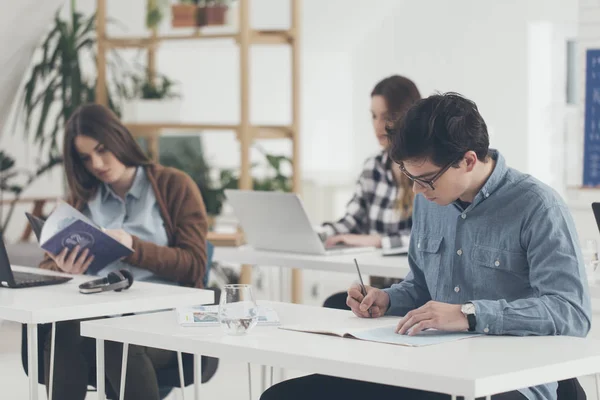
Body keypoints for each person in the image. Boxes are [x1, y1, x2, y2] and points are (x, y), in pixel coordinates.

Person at [261, 93, 591, 400]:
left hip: (505, 382)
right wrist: (387, 299)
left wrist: (469, 314)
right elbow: (421, 287)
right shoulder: (430, 200)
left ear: (469, 161)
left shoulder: (537, 206)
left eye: (427, 179)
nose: (418, 191)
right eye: (411, 178)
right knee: (285, 396)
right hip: (427, 369)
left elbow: (571, 312)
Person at [37, 103, 210, 400]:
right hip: (96, 311)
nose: (97, 164)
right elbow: (46, 267)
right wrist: (62, 267)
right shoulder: (83, 198)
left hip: (162, 317)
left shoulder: (174, 185)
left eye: (102, 150)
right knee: (64, 330)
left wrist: (133, 248)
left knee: (119, 337)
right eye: (86, 158)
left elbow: (195, 264)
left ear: (120, 139)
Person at [321, 75, 420, 310]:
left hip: (417, 296)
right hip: (381, 292)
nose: (378, 126)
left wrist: (376, 241)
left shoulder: (428, 170)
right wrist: (318, 235)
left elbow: (427, 240)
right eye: (374, 117)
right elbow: (351, 222)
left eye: (387, 117)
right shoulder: (373, 166)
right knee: (334, 306)